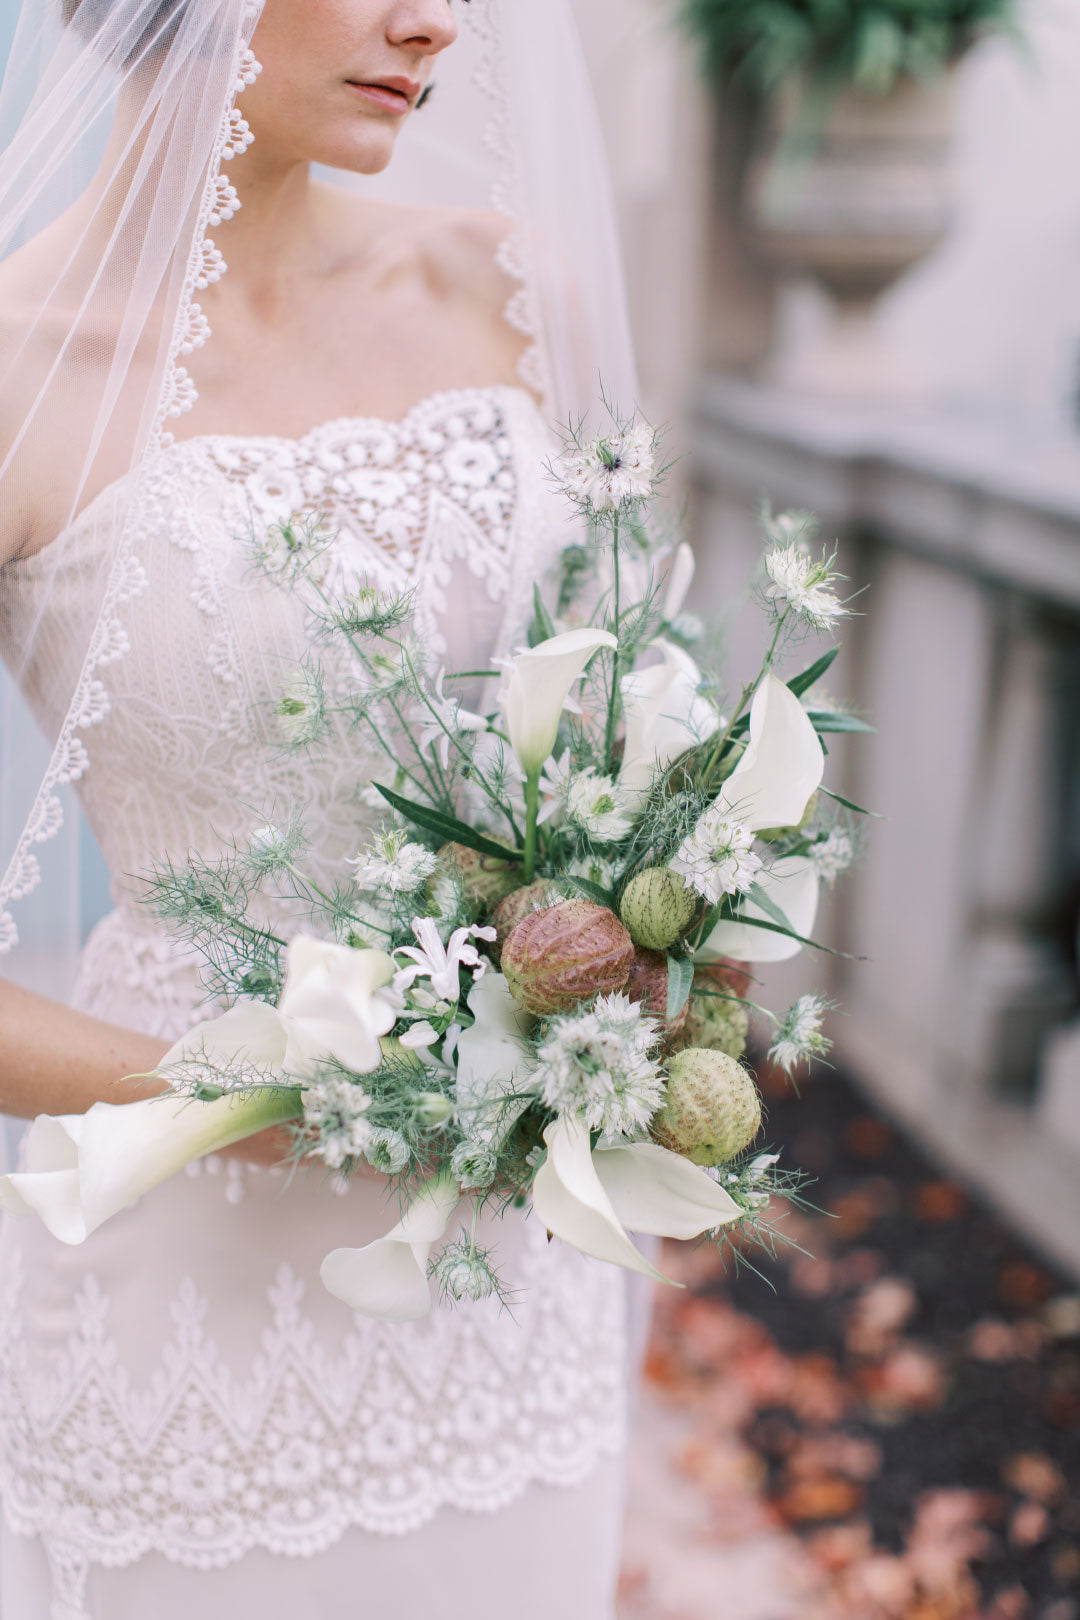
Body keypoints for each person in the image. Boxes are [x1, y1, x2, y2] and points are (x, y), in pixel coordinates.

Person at [0, 2, 639, 1615]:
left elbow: (639, 734)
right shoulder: (16, 372)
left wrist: (671, 940)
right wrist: (262, 1097)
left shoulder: (511, 291)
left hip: (506, 1286)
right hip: (196, 1289)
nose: (430, 20)